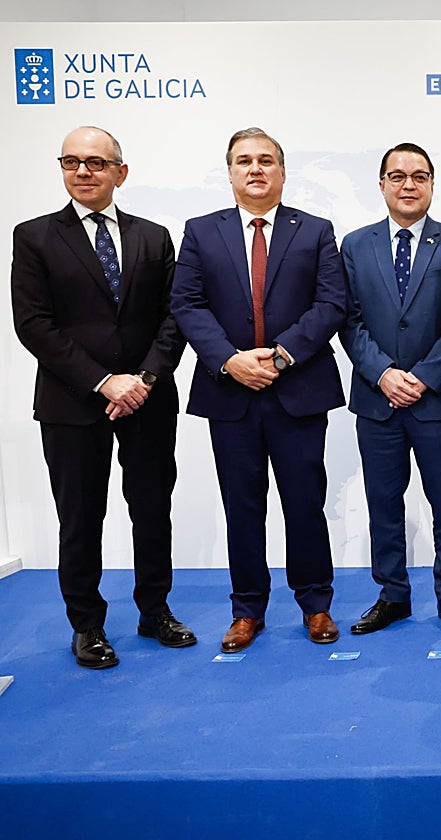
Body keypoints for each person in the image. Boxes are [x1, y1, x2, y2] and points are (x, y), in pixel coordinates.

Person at [11, 126, 194, 669]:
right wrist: (103, 381)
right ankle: (87, 625)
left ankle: (155, 609)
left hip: (148, 398)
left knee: (152, 508)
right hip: (72, 403)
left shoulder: (153, 236)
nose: (82, 171)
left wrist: (143, 380)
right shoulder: (35, 236)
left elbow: (174, 316)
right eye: (71, 162)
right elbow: (34, 325)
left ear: (121, 171)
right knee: (81, 516)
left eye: (95, 162)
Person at [171, 127, 347, 652]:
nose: (255, 169)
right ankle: (247, 609)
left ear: (282, 172)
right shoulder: (201, 232)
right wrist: (229, 360)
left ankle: (316, 604)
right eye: (244, 161)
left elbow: (331, 303)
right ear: (229, 172)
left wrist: (281, 354)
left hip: (298, 389)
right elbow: (186, 304)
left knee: (305, 503)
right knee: (242, 506)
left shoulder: (315, 230)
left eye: (266, 160)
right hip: (230, 393)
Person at [339, 143, 441, 637]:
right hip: (378, 401)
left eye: (419, 176)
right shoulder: (354, 244)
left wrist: (422, 376)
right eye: (397, 176)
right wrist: (384, 374)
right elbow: (347, 320)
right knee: (384, 501)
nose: (408, 185)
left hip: (437, 398)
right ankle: (392, 594)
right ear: (381, 185)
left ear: (433, 185)